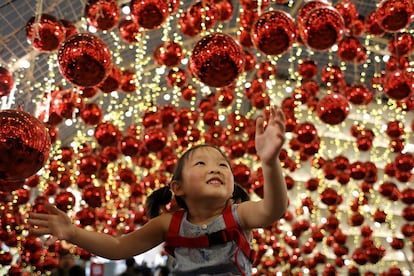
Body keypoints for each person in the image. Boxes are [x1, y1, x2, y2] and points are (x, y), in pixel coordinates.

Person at [28, 106, 288, 276]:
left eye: (223, 165)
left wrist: (269, 161)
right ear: (178, 188)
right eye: (201, 163)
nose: (216, 169)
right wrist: (73, 233)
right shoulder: (169, 223)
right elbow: (119, 246)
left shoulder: (239, 214)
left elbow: (273, 209)